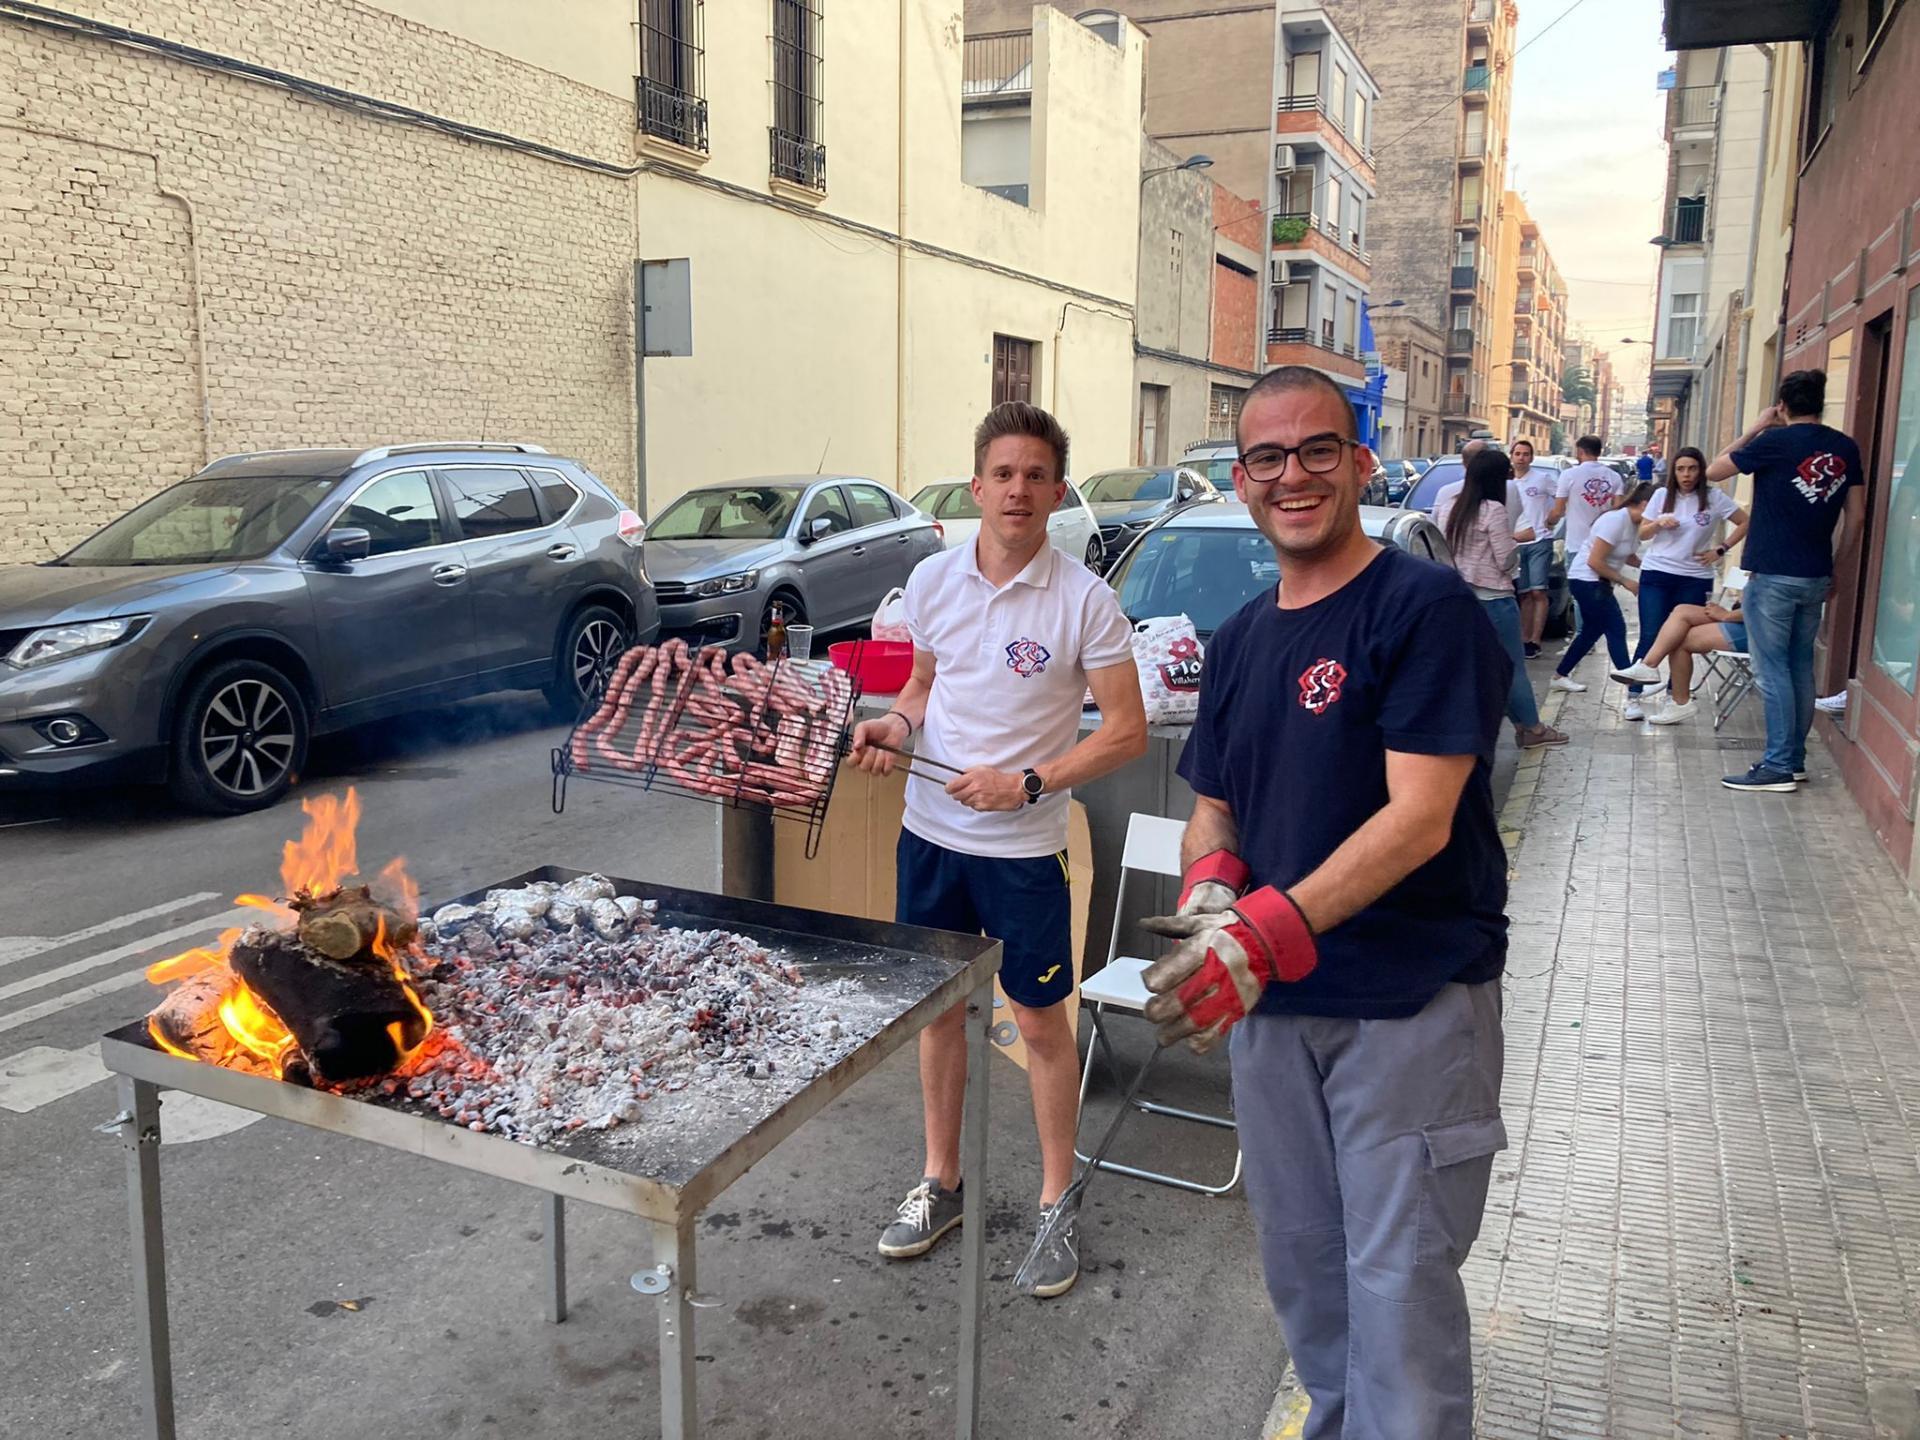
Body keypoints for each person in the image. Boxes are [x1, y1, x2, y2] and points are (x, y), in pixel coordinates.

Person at [1140, 365, 1511, 1437]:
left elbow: (1421, 817)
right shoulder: (1244, 637)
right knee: (1307, 1282)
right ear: (1241, 480)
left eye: (1316, 450)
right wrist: (1213, 895)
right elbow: (1216, 807)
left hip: (1404, 1008)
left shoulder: (1423, 608)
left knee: (1400, 1302)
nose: (1291, 476)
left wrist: (1264, 931)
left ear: (1359, 464)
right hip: (1272, 1015)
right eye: (1267, 457)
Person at [848, 401, 1148, 1297]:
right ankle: (941, 1182)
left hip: (1023, 852)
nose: (1019, 490)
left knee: (1041, 1023)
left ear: (1057, 492)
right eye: (1003, 474)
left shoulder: (1086, 601)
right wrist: (896, 726)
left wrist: (1029, 783)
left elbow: (1126, 732)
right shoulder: (932, 581)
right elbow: (922, 684)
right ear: (977, 487)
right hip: (930, 837)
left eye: (1036, 476)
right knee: (939, 1014)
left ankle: (1057, 1200)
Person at [1705, 370, 1864, 791]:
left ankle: (1777, 766)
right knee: (1800, 667)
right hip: (1816, 573)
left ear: (1783, 405)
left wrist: (1758, 426)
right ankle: (1793, 760)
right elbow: (1856, 517)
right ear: (1820, 402)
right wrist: (1838, 567)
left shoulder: (1773, 442)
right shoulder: (1845, 447)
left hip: (1773, 573)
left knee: (1771, 669)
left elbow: (1714, 470)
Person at [1436, 448, 1568, 748]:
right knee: (1512, 667)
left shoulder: (1449, 505)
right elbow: (1505, 559)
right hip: (1494, 598)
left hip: (1460, 598)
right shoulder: (1492, 509)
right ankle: (1533, 729)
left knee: (1478, 667)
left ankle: (1517, 725)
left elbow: (1442, 549)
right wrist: (1515, 541)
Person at [1610, 447, 1749, 719]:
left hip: (1695, 576)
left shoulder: (1713, 497)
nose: (1686, 475)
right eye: (1681, 469)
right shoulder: (1662, 495)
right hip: (1658, 572)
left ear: (1701, 471)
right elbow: (1643, 533)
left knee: (1681, 637)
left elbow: (1744, 522)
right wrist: (1659, 523)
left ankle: (1675, 698)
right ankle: (1634, 696)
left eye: (1692, 469)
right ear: (1673, 472)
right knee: (1651, 634)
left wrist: (1720, 549)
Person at [1550, 481, 1655, 695]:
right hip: (1587, 580)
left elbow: (1628, 555)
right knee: (1615, 628)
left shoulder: (1635, 524)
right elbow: (1595, 561)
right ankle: (1633, 686)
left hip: (1599, 582)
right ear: (1645, 505)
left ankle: (1560, 676)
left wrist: (1652, 566)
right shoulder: (1615, 520)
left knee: (1591, 631)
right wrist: (1625, 581)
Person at [1618, 599, 1747, 727]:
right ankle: (1648, 666)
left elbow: (1760, 607)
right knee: (1682, 611)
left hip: (1754, 628)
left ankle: (1679, 701)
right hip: (1747, 617)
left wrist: (1727, 615)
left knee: (1679, 639)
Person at [1547, 436, 1624, 582]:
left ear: (1580, 451)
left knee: (1578, 589)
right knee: (1602, 588)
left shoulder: (1569, 475)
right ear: (1599, 452)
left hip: (1576, 544)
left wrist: (1549, 522)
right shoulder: (1614, 477)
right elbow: (1618, 510)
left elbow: (1558, 511)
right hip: (1603, 545)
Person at [1510, 439, 1557, 656]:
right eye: (1518, 454)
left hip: (1540, 540)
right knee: (1524, 594)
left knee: (1538, 590)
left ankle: (1535, 640)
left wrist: (1553, 518)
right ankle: (1523, 639)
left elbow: (1561, 499)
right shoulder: (1507, 481)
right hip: (1515, 541)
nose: (1521, 458)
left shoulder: (1542, 479)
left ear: (1532, 457)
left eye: (1526, 454)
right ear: (1512, 456)